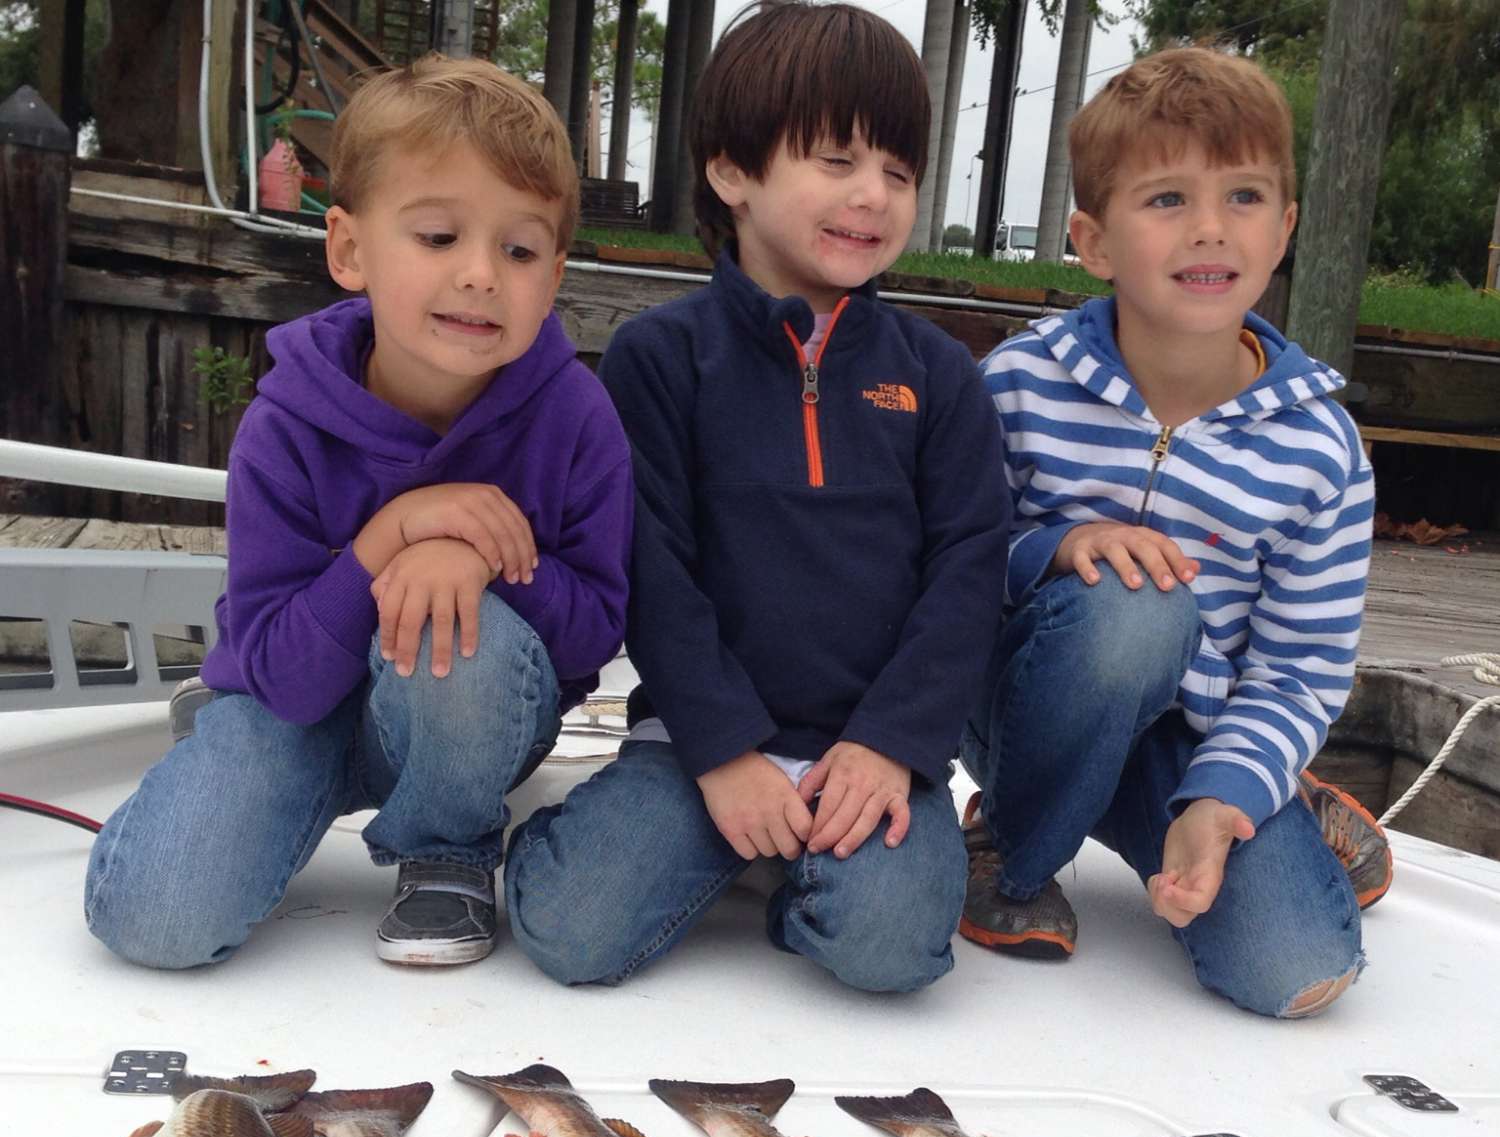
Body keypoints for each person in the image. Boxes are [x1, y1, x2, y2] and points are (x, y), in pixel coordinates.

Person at [504, 2, 1011, 994]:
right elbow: (652, 568)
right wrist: (725, 751)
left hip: (870, 760)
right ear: (732, 171)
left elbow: (968, 570)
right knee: (571, 932)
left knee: (896, 950)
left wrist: (890, 745)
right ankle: (650, 840)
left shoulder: (941, 374)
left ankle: (789, 882)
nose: (873, 194)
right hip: (696, 748)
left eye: (898, 172)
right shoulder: (663, 359)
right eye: (836, 160)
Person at [84, 56, 632, 969]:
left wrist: (482, 560)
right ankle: (214, 752)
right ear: (348, 250)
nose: (481, 275)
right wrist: (390, 538)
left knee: (466, 631)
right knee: (156, 922)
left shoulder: (578, 417)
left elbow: (592, 640)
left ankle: (447, 851)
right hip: (289, 709)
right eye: (437, 237)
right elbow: (290, 684)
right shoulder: (284, 426)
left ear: (555, 273)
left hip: (466, 718)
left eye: (520, 249)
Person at [959, 46, 1391, 1018]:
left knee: (1294, 971)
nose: (1209, 228)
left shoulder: (1319, 450)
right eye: (1166, 201)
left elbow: (1298, 666)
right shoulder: (1018, 387)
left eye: (1243, 197)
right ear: (1093, 238)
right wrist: (1054, 550)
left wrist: (1222, 795)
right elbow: (947, 563)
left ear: (1284, 227)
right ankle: (1011, 847)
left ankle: (1273, 792)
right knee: (1132, 609)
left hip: (1193, 739)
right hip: (1032, 711)